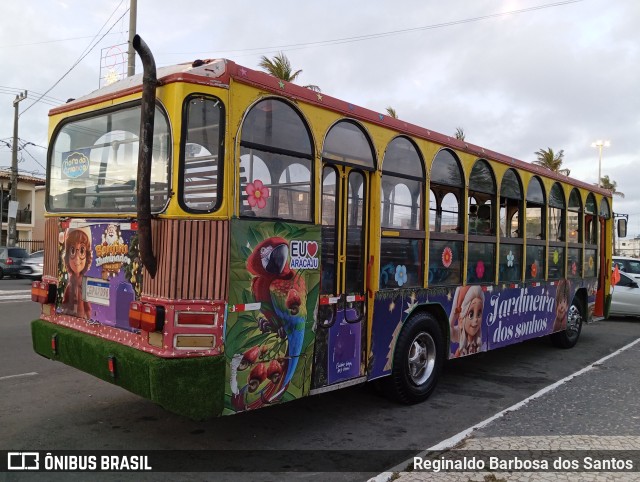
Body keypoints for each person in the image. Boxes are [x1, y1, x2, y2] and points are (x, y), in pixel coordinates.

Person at [61, 228, 93, 319]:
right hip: (69, 314)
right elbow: (66, 298)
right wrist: (64, 309)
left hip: (81, 315)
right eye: (72, 251)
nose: (77, 259)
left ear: (87, 255)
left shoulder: (83, 282)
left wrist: (88, 314)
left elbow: (87, 303)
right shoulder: (71, 281)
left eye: (82, 251)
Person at [449, 285, 484, 357]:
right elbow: (449, 329)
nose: (476, 320)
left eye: (479, 314)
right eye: (471, 314)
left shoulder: (478, 342)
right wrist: (456, 310)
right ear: (461, 320)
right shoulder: (459, 333)